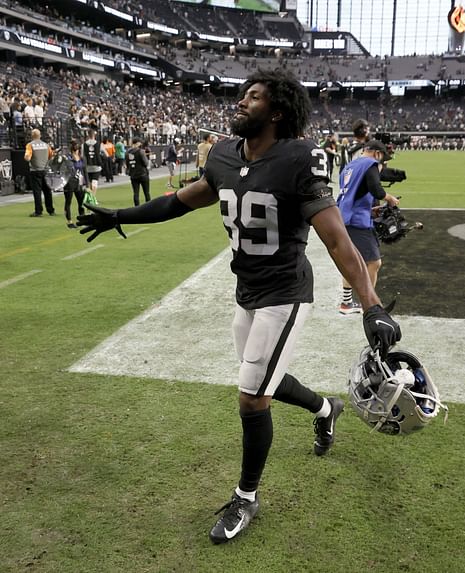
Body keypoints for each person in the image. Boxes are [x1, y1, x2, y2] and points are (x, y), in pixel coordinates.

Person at [77, 69, 401, 544]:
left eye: (253, 97)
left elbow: (335, 239)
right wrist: (121, 216)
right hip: (246, 290)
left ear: (277, 111)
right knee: (263, 379)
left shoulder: (298, 157)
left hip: (285, 292)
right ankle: (325, 408)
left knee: (252, 395)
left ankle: (246, 496)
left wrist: (370, 305)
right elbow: (180, 201)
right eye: (243, 95)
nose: (240, 102)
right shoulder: (226, 155)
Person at [336, 139, 400, 314]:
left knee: (351, 261)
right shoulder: (370, 163)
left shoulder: (350, 166)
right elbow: (376, 189)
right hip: (357, 222)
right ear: (377, 154)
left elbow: (352, 195)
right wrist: (390, 199)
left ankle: (346, 303)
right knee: (374, 262)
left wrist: (370, 210)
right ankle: (370, 306)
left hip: (344, 217)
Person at [24, 128, 55, 217]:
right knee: (47, 191)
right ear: (40, 135)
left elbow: (27, 157)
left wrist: (27, 158)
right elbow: (51, 156)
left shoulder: (30, 145)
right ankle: (51, 210)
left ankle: (38, 211)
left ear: (32, 136)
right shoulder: (46, 145)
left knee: (37, 192)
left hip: (35, 171)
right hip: (45, 170)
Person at [64, 139, 88, 229]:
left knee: (81, 202)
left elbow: (85, 171)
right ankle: (69, 221)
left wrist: (87, 185)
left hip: (79, 182)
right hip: (69, 182)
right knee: (68, 202)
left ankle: (82, 219)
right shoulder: (67, 157)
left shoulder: (82, 158)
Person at [125, 138, 151, 206]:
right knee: (146, 192)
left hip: (133, 175)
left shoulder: (127, 152)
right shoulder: (140, 151)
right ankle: (149, 207)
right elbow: (146, 163)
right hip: (143, 174)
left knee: (136, 193)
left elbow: (127, 164)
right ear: (137, 143)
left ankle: (136, 208)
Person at [82, 129, 102, 201]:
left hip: (87, 166)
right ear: (94, 135)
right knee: (95, 182)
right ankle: (93, 198)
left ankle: (89, 197)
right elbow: (104, 153)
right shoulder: (98, 144)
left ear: (88, 135)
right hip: (96, 165)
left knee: (89, 183)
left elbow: (82, 155)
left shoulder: (84, 144)